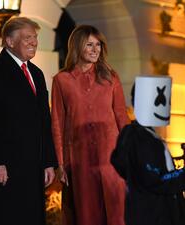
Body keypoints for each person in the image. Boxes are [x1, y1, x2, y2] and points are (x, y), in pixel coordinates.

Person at [0, 17, 57, 225]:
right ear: (9, 41)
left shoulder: (36, 73)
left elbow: (44, 119)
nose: (34, 42)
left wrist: (48, 162)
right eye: (27, 38)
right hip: (3, 168)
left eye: (35, 37)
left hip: (32, 168)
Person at [51, 24, 130, 225]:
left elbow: (122, 116)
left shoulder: (111, 78)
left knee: (116, 214)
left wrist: (131, 152)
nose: (96, 50)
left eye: (98, 45)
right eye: (89, 45)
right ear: (77, 47)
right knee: (86, 215)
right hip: (79, 160)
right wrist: (60, 164)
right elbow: (57, 123)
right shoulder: (62, 80)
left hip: (111, 158)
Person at [111, 76, 185, 225]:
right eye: (158, 100)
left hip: (151, 213)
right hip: (155, 215)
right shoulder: (142, 140)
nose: (165, 106)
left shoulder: (142, 137)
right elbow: (157, 179)